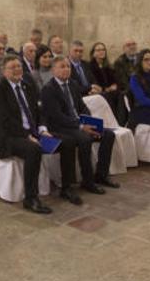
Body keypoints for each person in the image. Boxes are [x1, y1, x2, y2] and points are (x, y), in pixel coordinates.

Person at [0, 55, 56, 214]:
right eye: (12, 67)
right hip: (8, 137)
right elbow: (4, 121)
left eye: (19, 66)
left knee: (61, 141)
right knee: (33, 149)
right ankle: (31, 198)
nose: (17, 70)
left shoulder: (27, 85)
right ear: (4, 72)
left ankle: (66, 186)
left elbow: (39, 111)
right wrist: (27, 136)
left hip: (31, 131)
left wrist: (42, 129)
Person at [41, 56, 117, 193]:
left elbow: (82, 107)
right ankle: (87, 181)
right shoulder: (48, 89)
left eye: (68, 67)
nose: (66, 69)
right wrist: (81, 126)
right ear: (53, 70)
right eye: (62, 67)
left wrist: (89, 122)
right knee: (85, 139)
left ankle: (101, 175)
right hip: (62, 127)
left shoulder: (73, 84)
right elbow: (57, 116)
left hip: (79, 124)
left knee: (108, 135)